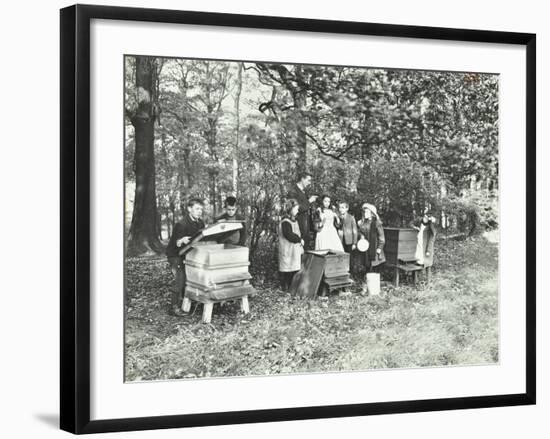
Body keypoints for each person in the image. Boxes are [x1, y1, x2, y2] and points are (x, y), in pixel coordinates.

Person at [165, 198, 205, 316]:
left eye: (201, 209)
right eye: (197, 209)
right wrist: (181, 240)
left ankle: (186, 302)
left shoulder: (200, 223)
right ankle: (173, 307)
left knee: (191, 277)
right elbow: (176, 243)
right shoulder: (181, 224)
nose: (199, 211)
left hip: (188, 254)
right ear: (189, 209)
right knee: (180, 278)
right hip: (175, 255)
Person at [278, 198, 304, 291]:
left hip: (294, 250)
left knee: (293, 269)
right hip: (287, 249)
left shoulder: (294, 220)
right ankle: (286, 288)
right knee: (287, 270)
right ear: (290, 209)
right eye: (296, 209)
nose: (297, 210)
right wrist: (299, 239)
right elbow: (289, 235)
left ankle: (292, 288)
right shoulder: (285, 221)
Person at [287, 172, 317, 249]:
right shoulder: (293, 191)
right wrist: (309, 201)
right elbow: (295, 208)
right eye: (308, 180)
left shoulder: (304, 192)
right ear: (302, 179)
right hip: (298, 226)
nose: (309, 183)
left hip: (305, 227)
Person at [357, 202, 386, 274]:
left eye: (367, 212)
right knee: (366, 263)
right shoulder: (363, 223)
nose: (365, 213)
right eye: (364, 212)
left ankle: (374, 279)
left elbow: (381, 237)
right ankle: (367, 279)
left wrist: (379, 248)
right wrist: (361, 236)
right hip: (366, 246)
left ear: (372, 213)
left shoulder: (376, 223)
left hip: (374, 246)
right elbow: (360, 232)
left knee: (374, 264)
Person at [336, 201, 358, 270]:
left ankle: (351, 272)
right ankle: (342, 271)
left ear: (347, 209)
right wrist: (337, 220)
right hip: (341, 240)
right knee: (341, 256)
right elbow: (337, 226)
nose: (340, 209)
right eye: (339, 208)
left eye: (342, 208)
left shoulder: (351, 218)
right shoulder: (338, 217)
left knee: (350, 257)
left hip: (349, 241)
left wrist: (354, 243)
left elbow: (355, 231)